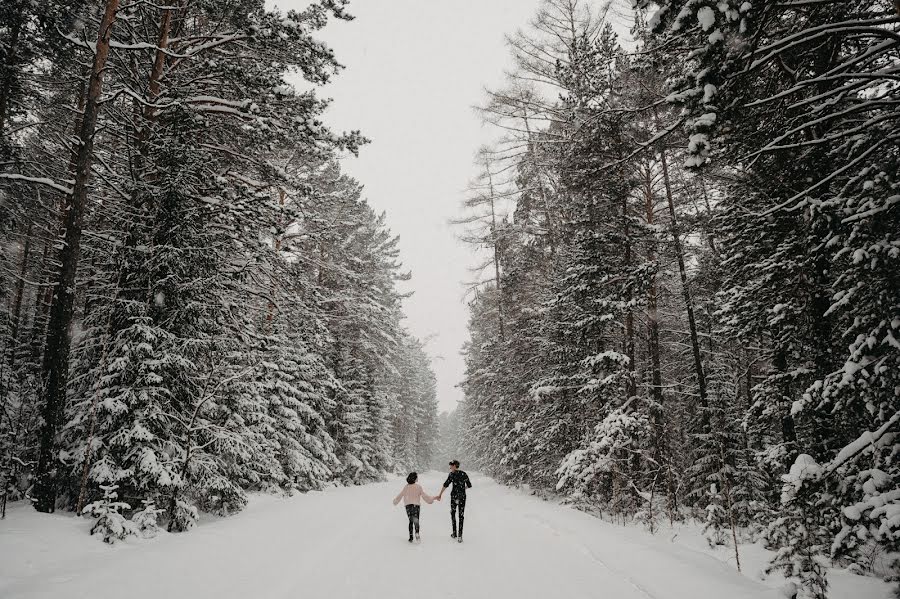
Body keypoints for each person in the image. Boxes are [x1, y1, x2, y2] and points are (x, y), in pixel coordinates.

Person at [393, 472, 437, 543]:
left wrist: (395, 501)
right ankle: (417, 533)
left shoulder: (406, 487)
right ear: (414, 478)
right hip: (416, 505)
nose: (417, 478)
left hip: (408, 506)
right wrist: (431, 500)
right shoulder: (418, 487)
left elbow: (400, 495)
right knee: (416, 520)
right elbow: (424, 496)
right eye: (417, 477)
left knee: (410, 521)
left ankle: (411, 537)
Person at [435, 460, 472, 543]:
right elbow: (469, 485)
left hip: (454, 497)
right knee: (461, 515)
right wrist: (463, 489)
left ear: (455, 465)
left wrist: (440, 494)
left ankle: (455, 533)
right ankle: (460, 536)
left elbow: (446, 484)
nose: (450, 467)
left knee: (453, 513)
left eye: (451, 466)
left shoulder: (451, 474)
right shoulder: (464, 474)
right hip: (462, 497)